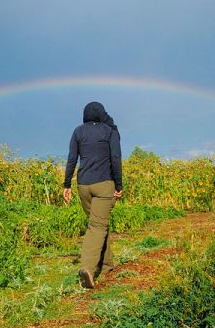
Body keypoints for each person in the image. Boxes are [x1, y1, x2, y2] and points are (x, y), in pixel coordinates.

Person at [63, 101, 123, 289]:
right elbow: (115, 158)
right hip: (104, 184)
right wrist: (119, 184)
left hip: (83, 186)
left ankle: (107, 265)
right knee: (97, 226)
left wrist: (66, 184)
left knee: (98, 223)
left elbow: (72, 158)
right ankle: (87, 269)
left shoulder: (78, 131)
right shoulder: (109, 131)